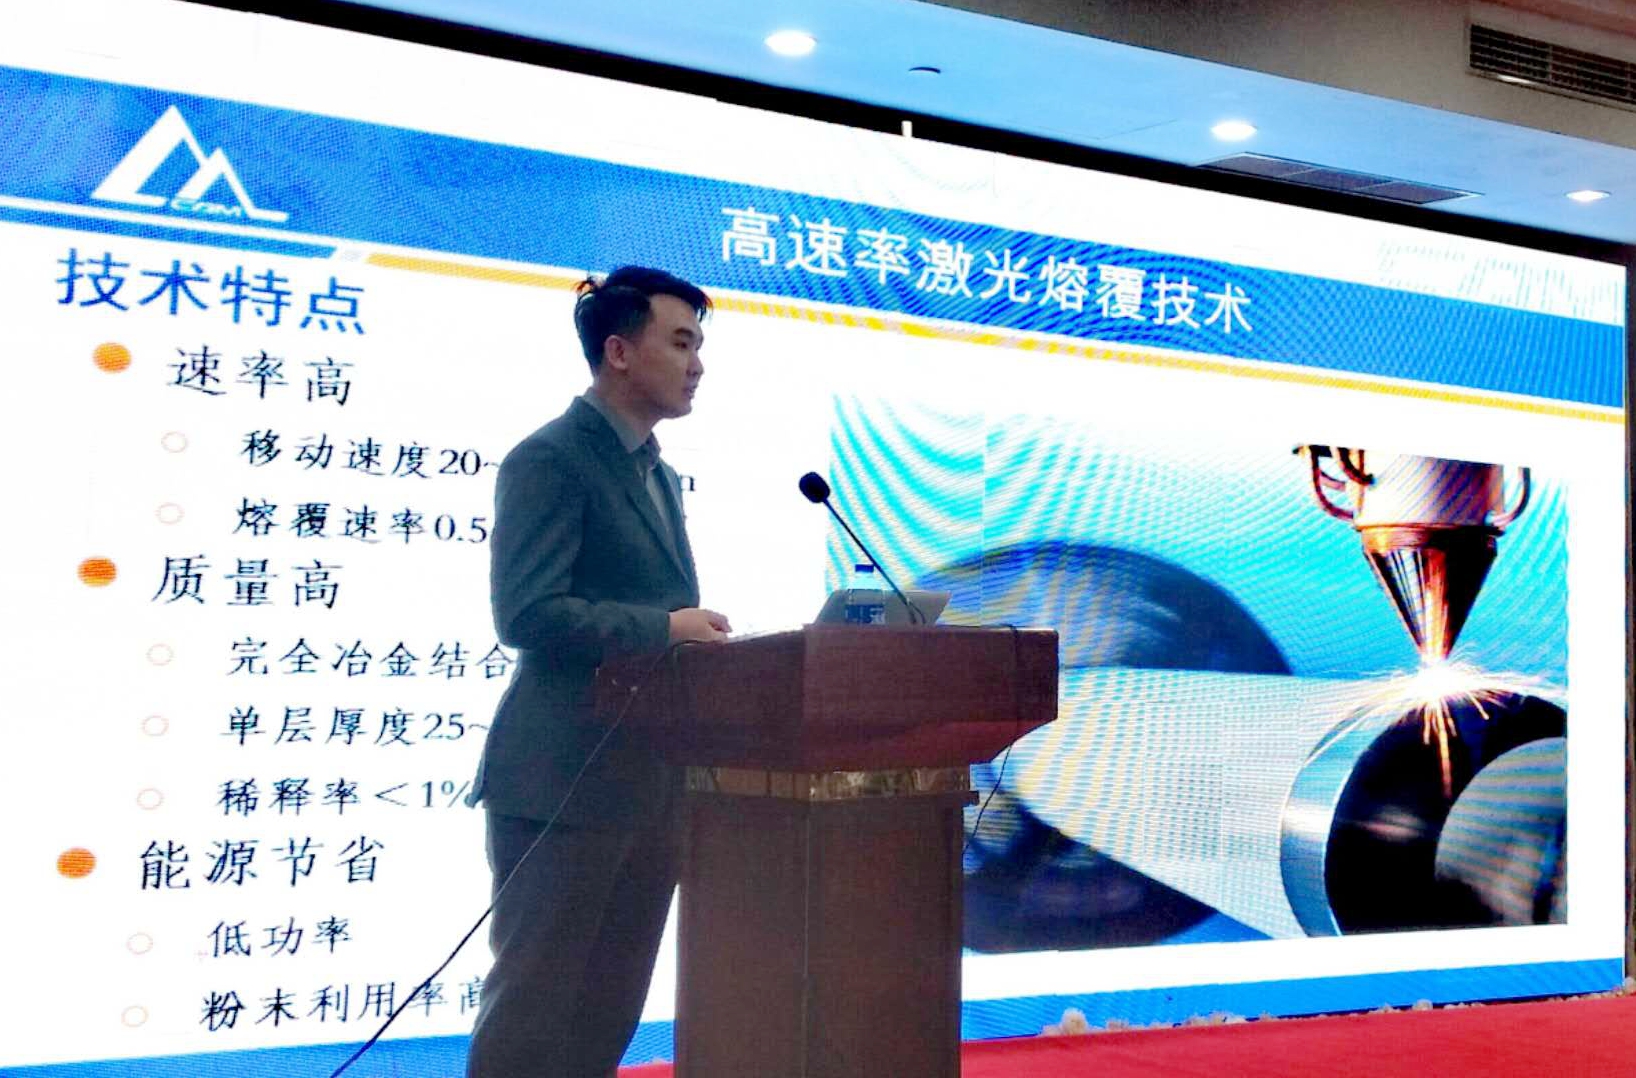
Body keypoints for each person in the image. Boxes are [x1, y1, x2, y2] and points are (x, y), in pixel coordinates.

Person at [465, 266, 731, 1077]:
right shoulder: (549, 458)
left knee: (608, 1008)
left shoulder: (658, 472)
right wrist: (665, 628)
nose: (696, 365)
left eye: (699, 346)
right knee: (535, 1007)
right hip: (562, 781)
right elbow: (527, 614)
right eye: (679, 342)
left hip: (648, 782)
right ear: (618, 351)